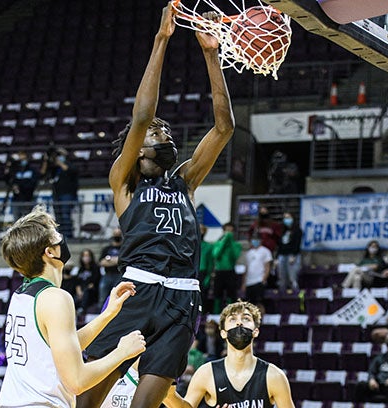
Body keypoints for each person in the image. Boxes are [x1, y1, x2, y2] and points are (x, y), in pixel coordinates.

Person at [77, 4, 235, 408]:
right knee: (88, 400)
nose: (163, 133)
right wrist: (161, 40)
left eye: (165, 130)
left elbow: (223, 128)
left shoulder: (184, 181)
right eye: (155, 131)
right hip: (137, 289)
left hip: (183, 298)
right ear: (138, 141)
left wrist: (211, 55)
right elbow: (143, 112)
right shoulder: (124, 180)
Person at [0, 206, 146, 407]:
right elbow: (77, 381)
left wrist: (107, 315)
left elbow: (63, 347)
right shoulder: (55, 298)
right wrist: (122, 352)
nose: (62, 239)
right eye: (56, 235)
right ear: (50, 252)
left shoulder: (21, 295)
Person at [163, 300, 295, 408]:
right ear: (223, 333)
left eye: (246, 318)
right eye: (232, 319)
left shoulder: (274, 375)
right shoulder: (206, 373)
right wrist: (169, 395)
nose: (239, 322)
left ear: (256, 331)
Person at [41, 147, 79, 239]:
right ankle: (60, 235)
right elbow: (43, 173)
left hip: (67, 193)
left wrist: (60, 162)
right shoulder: (54, 167)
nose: (58, 157)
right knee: (58, 216)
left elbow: (70, 170)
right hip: (56, 193)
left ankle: (69, 236)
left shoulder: (70, 164)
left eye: (60, 155)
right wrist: (46, 160)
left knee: (66, 215)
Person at [211, 222, 242, 314]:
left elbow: (234, 256)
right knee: (217, 294)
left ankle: (230, 313)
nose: (229, 233)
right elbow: (216, 255)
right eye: (227, 230)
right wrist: (224, 241)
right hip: (219, 271)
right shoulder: (217, 243)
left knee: (231, 294)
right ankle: (216, 314)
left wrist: (230, 241)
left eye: (231, 231)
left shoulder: (236, 245)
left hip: (230, 272)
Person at [4, 150, 40, 221]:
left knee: (28, 222)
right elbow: (8, 181)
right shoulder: (15, 170)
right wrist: (8, 168)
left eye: (24, 158)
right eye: (20, 159)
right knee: (17, 222)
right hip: (16, 199)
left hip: (28, 199)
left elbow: (33, 183)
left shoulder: (32, 170)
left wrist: (20, 185)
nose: (22, 160)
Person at [242, 237, 273, 310]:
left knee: (259, 302)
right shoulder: (249, 253)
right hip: (249, 282)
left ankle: (260, 319)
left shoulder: (265, 251)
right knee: (249, 304)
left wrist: (264, 278)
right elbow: (246, 269)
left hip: (259, 280)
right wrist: (244, 283)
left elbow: (267, 266)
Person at [276, 212, 303, 294]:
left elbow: (297, 244)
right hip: (282, 255)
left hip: (292, 256)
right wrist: (277, 257)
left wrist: (294, 255)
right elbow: (279, 245)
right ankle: (282, 294)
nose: (287, 220)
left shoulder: (297, 230)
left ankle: (294, 294)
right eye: (285, 218)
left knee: (292, 277)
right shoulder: (282, 231)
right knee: (282, 278)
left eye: (288, 217)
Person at [69, 248, 101, 314]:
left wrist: (83, 291)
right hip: (81, 291)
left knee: (86, 293)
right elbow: (77, 282)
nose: (86, 258)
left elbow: (93, 284)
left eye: (87, 256)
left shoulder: (95, 269)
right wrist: (79, 291)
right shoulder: (81, 269)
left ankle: (82, 310)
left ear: (91, 257)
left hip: (91, 292)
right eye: (84, 256)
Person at [98, 228, 123, 307]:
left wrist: (109, 260)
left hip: (120, 275)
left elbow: (124, 261)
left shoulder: (124, 248)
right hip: (107, 275)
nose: (117, 236)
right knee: (103, 296)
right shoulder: (107, 249)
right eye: (115, 235)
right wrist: (117, 260)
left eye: (118, 235)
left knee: (118, 296)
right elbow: (101, 262)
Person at [198, 224, 214, 302]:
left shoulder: (208, 246)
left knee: (203, 294)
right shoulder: (189, 245)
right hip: (191, 273)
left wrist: (208, 276)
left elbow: (210, 263)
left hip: (202, 272)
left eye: (202, 230)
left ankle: (202, 313)